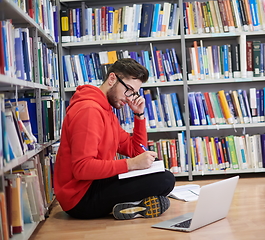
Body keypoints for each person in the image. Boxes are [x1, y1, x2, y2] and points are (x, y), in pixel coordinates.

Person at [54, 58, 176, 220]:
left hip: (95, 182)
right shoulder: (89, 111)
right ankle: (133, 204)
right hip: (80, 198)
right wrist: (131, 164)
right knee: (164, 180)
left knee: (159, 170)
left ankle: (130, 205)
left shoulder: (106, 111)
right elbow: (82, 168)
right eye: (128, 90)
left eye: (133, 93)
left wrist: (139, 116)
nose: (129, 98)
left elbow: (136, 150)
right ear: (112, 79)